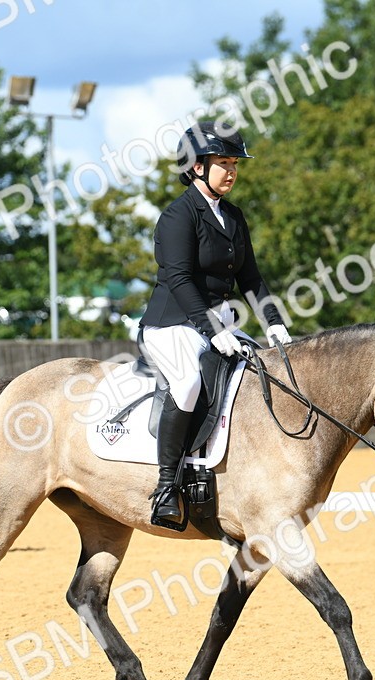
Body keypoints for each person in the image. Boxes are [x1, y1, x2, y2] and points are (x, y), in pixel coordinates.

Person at [140, 121, 291, 529]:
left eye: (234, 163)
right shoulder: (176, 217)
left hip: (219, 323)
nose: (231, 171)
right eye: (222, 163)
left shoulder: (234, 217)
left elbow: (252, 279)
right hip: (172, 323)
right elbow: (180, 279)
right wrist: (212, 330)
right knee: (188, 382)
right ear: (196, 167)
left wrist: (274, 324)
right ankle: (167, 486)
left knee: (264, 373)